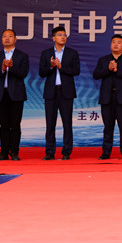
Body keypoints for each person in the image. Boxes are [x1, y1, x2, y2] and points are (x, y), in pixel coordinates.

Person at [39, 26, 80, 160]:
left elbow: (76, 71)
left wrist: (62, 67)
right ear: (53, 38)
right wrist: (51, 67)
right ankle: (50, 152)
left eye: (64, 35)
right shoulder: (46, 53)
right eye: (60, 35)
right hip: (51, 92)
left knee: (67, 123)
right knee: (50, 123)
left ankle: (66, 152)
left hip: (66, 92)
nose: (63, 37)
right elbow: (41, 73)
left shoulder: (72, 53)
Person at [93, 34, 122, 160]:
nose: (116, 44)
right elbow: (96, 75)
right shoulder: (103, 60)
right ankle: (106, 153)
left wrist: (117, 70)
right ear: (110, 44)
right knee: (108, 127)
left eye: (119, 42)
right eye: (113, 42)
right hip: (107, 98)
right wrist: (108, 69)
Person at [0, 29, 29, 161]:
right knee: (4, 125)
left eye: (10, 36)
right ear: (1, 39)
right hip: (0, 94)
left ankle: (15, 153)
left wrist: (11, 67)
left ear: (15, 39)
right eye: (4, 36)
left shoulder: (22, 56)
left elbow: (23, 73)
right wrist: (2, 69)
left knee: (15, 125)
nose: (7, 38)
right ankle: (4, 152)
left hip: (16, 94)